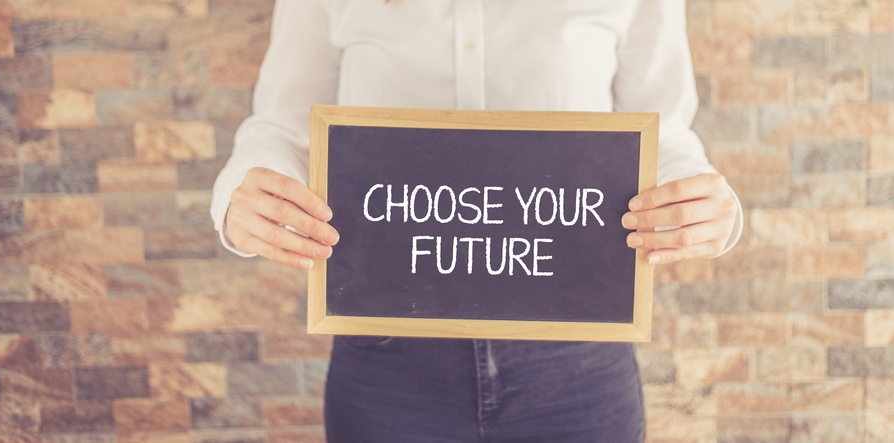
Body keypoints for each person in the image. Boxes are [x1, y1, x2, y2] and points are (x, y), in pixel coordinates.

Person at [211, 0, 742, 441]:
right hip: (388, 357)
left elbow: (664, 132)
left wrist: (701, 198)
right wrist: (240, 196)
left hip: (577, 359)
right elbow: (282, 126)